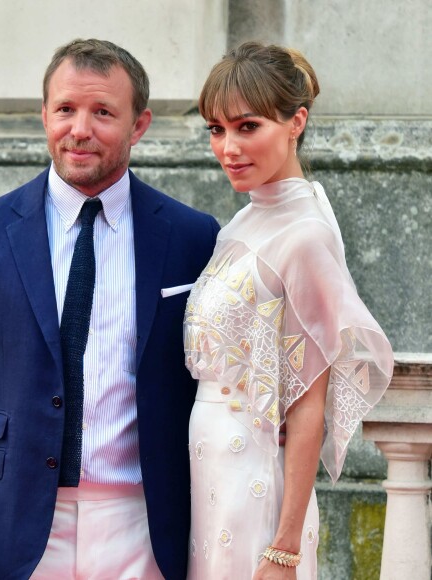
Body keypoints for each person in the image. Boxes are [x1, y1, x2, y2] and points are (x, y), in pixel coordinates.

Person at [0, 38, 219, 580]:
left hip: (147, 528)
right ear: (43, 114)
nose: (80, 129)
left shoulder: (193, 238)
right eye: (65, 110)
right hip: (12, 529)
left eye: (103, 112)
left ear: (139, 125)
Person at [183, 42, 394, 579]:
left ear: (296, 121)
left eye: (247, 127)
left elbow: (307, 409)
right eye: (216, 129)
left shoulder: (306, 235)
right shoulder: (242, 223)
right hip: (209, 474)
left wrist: (283, 548)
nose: (228, 147)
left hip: (255, 485)